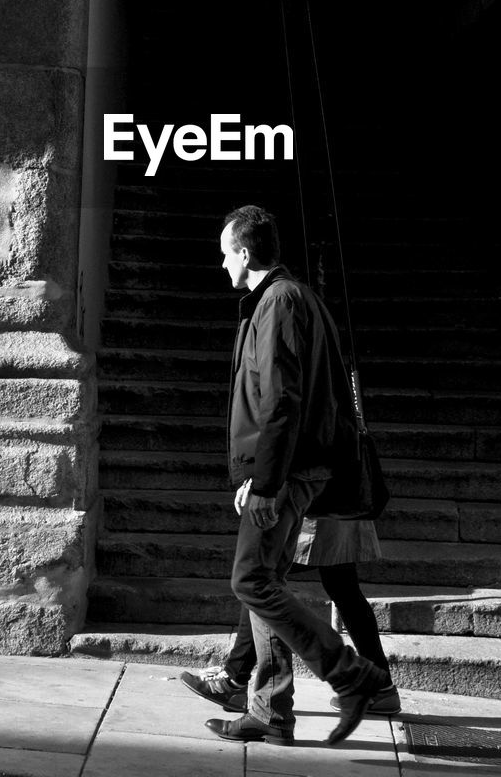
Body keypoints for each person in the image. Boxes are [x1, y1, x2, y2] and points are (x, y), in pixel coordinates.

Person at [188, 204, 388, 746]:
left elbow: (280, 401)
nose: (222, 264)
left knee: (249, 579)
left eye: (225, 254)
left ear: (245, 253)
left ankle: (350, 673)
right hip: (295, 468)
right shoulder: (295, 299)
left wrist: (266, 482)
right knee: (265, 582)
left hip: (289, 470)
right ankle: (270, 712)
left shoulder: (277, 303)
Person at [182, 515, 401, 716]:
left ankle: (235, 679)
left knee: (256, 577)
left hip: (318, 506)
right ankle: (380, 688)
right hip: (336, 505)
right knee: (343, 587)